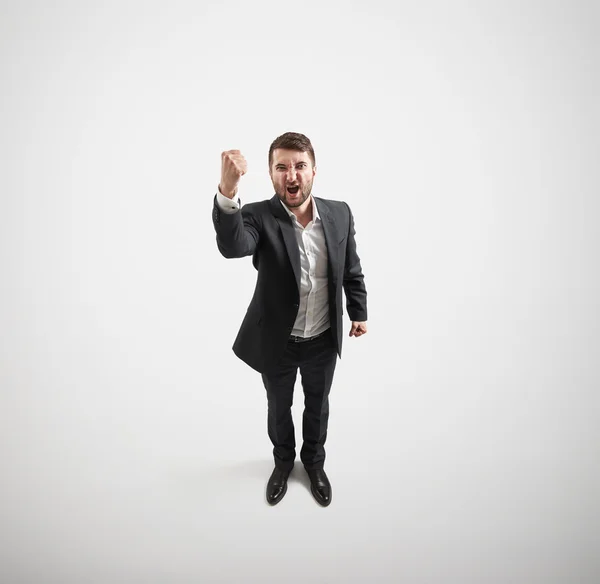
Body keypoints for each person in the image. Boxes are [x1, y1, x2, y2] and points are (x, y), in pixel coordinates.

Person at [211, 132, 368, 507]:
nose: (291, 175)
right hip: (278, 342)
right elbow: (233, 246)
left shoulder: (340, 213)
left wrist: (358, 310)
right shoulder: (258, 216)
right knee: (279, 408)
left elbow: (351, 267)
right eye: (281, 167)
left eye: (299, 166)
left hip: (322, 338)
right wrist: (227, 191)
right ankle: (283, 464)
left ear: (313, 171)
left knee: (318, 405)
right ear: (270, 174)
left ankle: (314, 464)